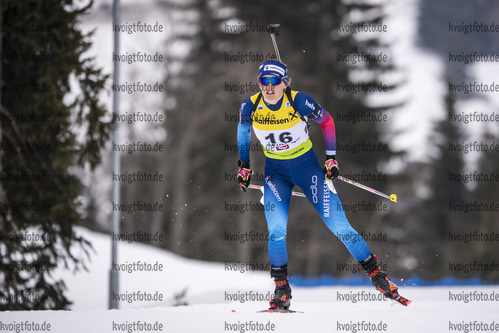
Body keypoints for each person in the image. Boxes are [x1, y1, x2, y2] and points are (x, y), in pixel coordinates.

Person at [236, 60, 400, 310]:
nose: (268, 87)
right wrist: (244, 165)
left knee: (340, 226)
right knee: (276, 230)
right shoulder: (250, 106)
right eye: (264, 82)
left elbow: (328, 122)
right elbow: (242, 130)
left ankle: (377, 274)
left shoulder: (300, 101)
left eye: (274, 81)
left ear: (284, 82)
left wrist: (331, 159)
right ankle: (281, 289)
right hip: (276, 174)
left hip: (309, 171)